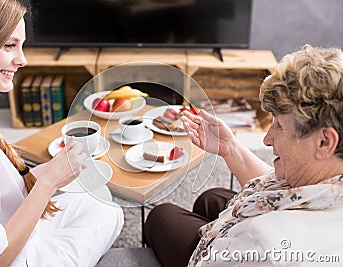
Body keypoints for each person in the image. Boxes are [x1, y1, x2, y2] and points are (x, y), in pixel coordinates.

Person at [0, 0, 123, 266]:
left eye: (22, 45)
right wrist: (48, 183)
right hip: (18, 258)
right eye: (10, 45)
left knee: (100, 204)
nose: (22, 60)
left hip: (17, 229)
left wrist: (51, 171)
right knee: (111, 212)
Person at [144, 44, 343, 266]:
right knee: (211, 198)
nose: (267, 139)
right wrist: (231, 148)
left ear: (324, 141)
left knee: (161, 216)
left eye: (278, 125)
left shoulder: (264, 244)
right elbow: (286, 190)